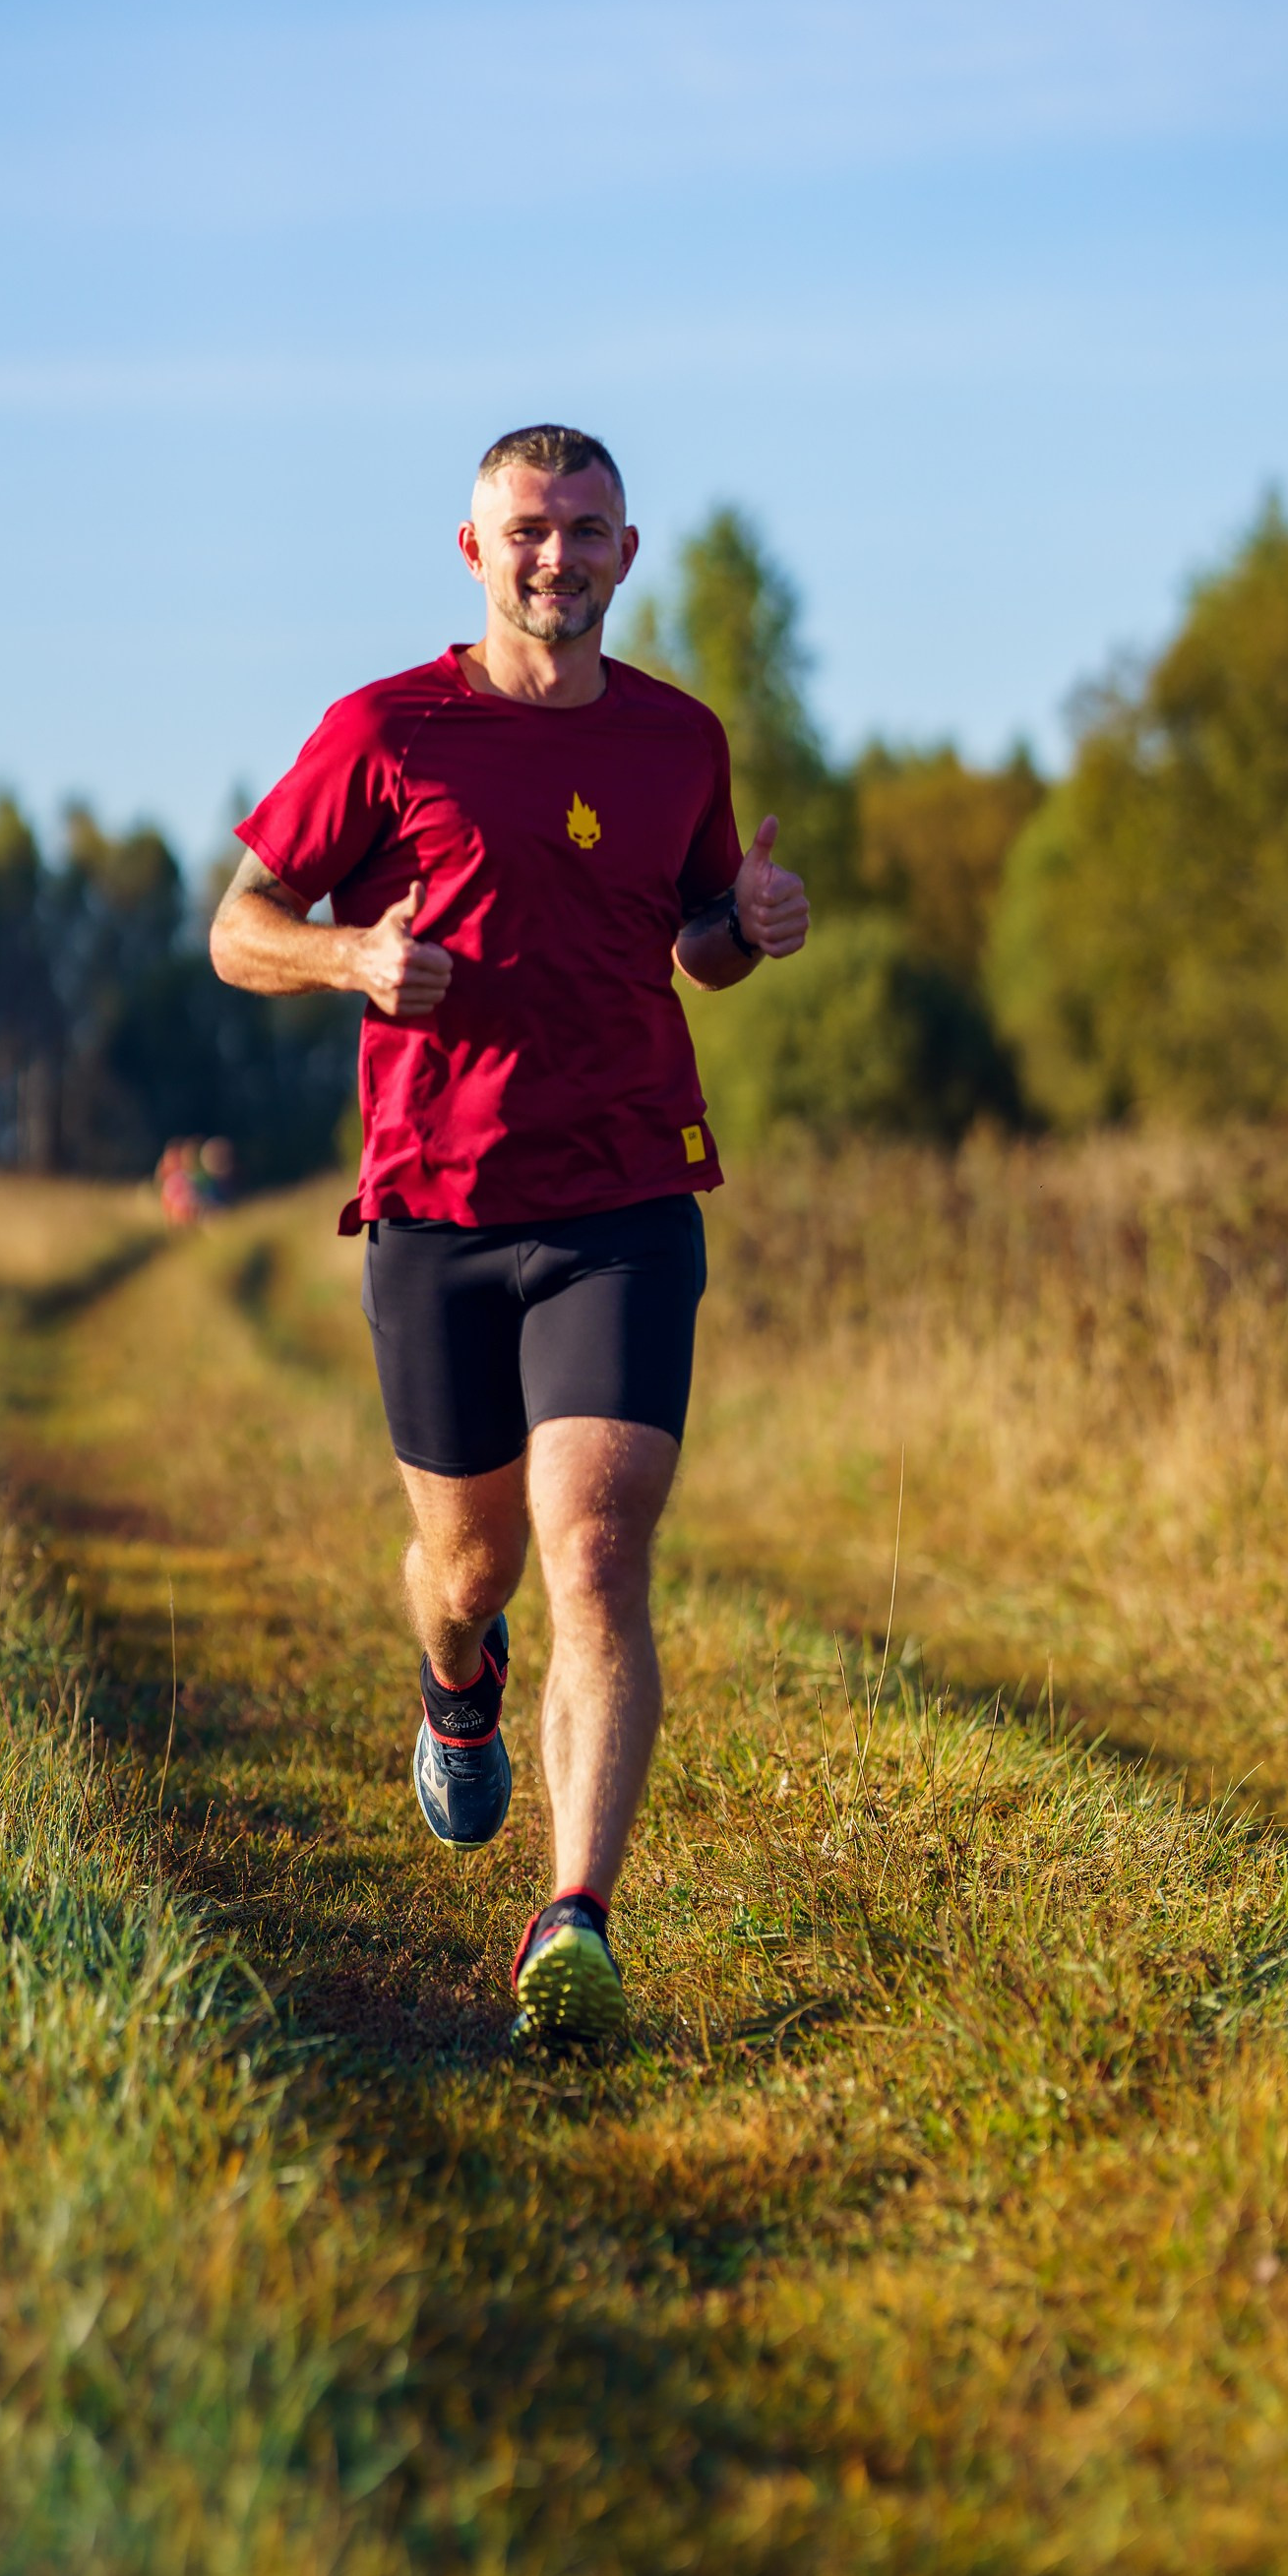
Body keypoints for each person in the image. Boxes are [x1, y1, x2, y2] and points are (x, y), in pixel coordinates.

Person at [210, 425, 809, 2048]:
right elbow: (236, 924)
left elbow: (695, 936)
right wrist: (348, 968)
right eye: (529, 531)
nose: (559, 557)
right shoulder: (385, 730)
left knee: (599, 1552)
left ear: (630, 554)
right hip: (438, 1208)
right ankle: (457, 1680)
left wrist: (743, 931)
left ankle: (576, 1921)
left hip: (624, 1198)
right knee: (471, 1565)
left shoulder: (682, 741)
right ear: (475, 553)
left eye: (588, 530)